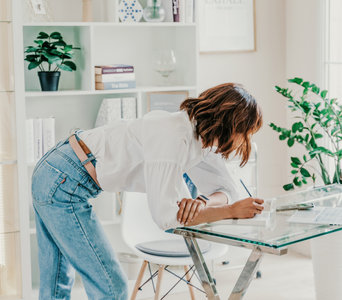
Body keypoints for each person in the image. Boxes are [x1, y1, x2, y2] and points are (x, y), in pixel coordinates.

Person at [31, 83, 264, 299]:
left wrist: (203, 201)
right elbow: (168, 218)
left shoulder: (201, 138)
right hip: (64, 180)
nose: (246, 140)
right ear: (231, 124)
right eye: (246, 131)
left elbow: (227, 189)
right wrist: (229, 211)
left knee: (56, 286)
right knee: (111, 287)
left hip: (60, 173)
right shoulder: (173, 136)